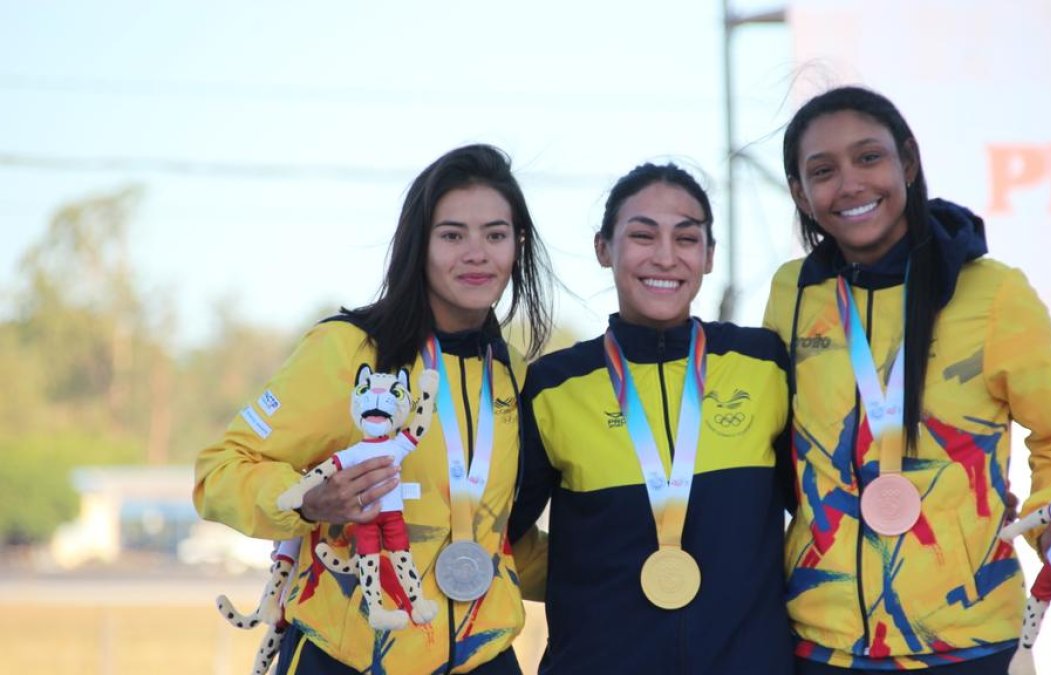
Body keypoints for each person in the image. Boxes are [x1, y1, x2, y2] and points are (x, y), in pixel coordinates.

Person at [762, 85, 1051, 673]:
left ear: (908, 162)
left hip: (972, 641)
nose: (850, 183)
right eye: (823, 171)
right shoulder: (792, 293)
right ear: (800, 193)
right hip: (820, 644)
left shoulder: (994, 293)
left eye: (869, 157)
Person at [194, 143, 554, 674]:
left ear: (517, 246)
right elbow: (219, 473)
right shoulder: (348, 350)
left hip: (483, 659)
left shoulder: (513, 375)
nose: (477, 254)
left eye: (495, 235)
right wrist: (308, 501)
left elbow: (499, 538)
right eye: (452, 235)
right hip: (345, 660)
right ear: (418, 244)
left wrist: (622, 571)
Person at [508, 163, 794, 674]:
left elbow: (821, 514)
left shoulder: (763, 364)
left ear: (709, 256)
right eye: (642, 235)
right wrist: (581, 579)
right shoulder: (554, 385)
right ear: (603, 248)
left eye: (686, 238)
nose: (665, 256)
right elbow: (497, 529)